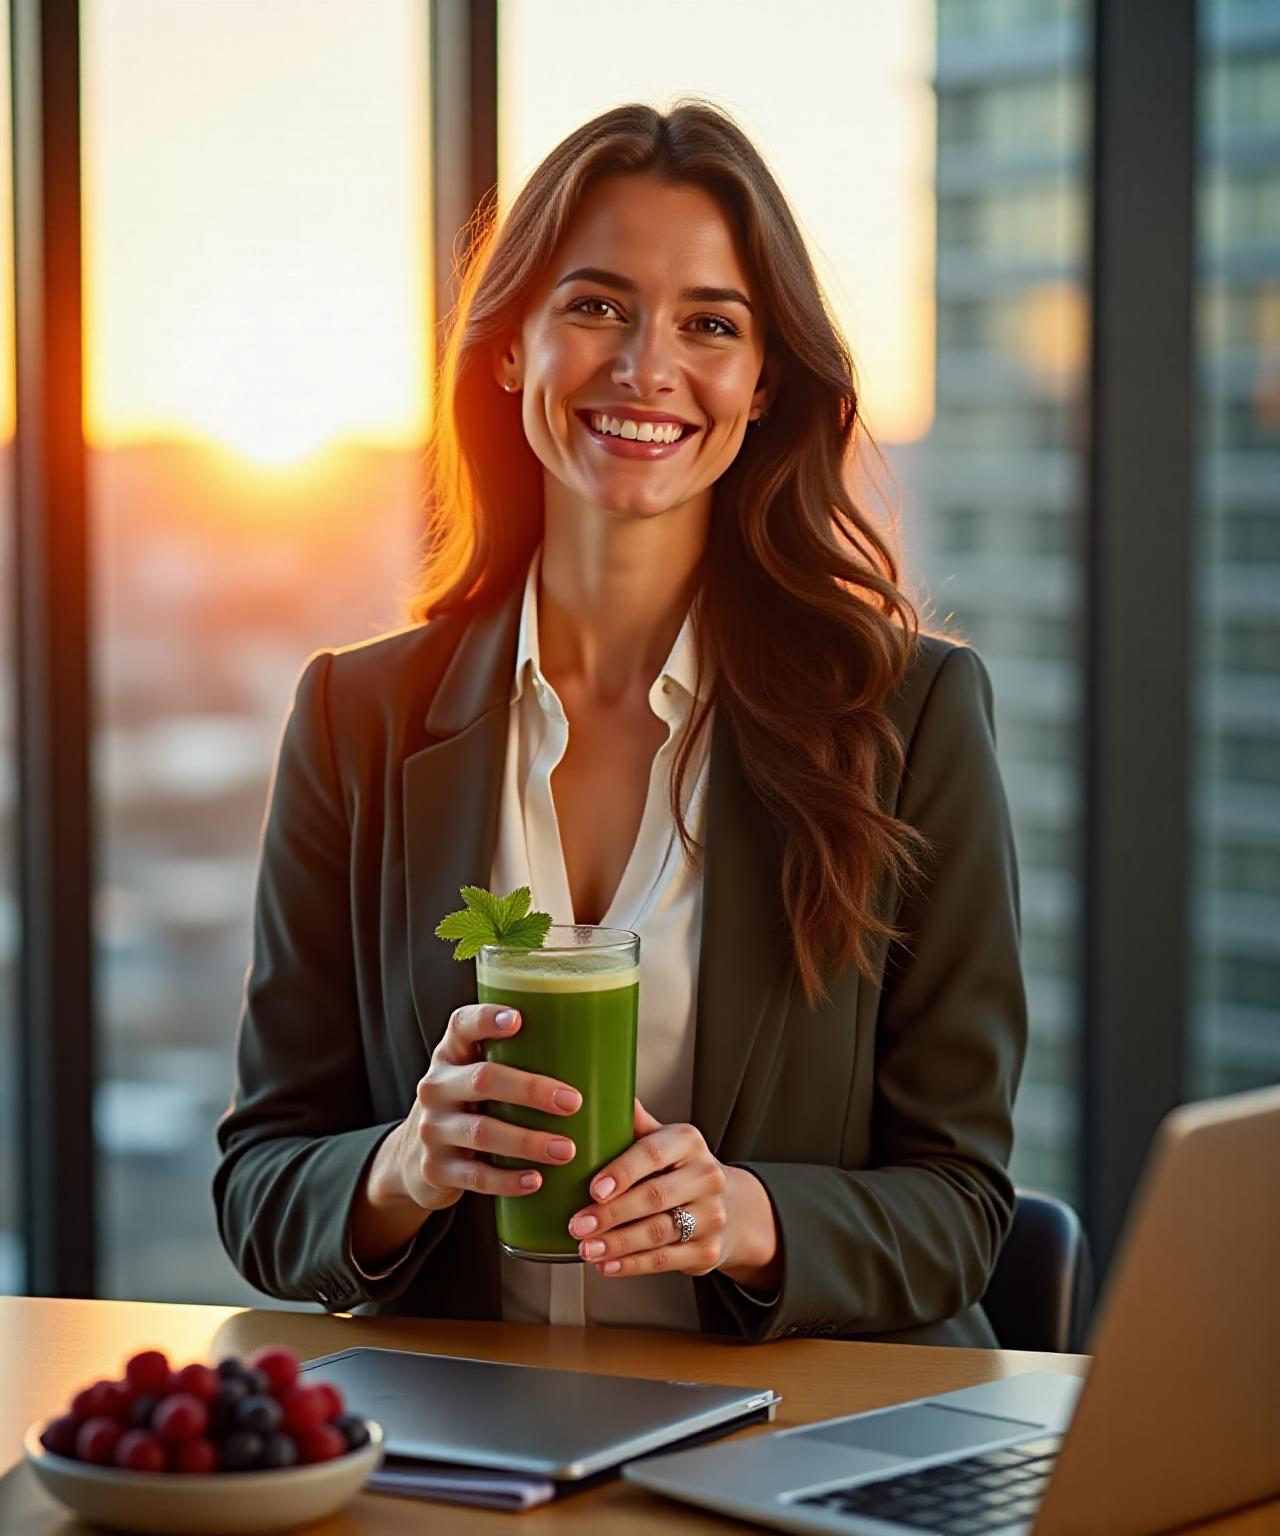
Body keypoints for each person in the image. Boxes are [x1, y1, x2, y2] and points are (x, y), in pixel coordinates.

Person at [213, 99, 1027, 1347]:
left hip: (787, 1445)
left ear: (762, 385)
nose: (646, 366)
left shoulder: (905, 716)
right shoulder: (354, 719)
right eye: (594, 306)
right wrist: (406, 1165)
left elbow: (963, 1205)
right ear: (507, 348)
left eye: (710, 324)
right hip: (467, 1446)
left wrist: (746, 1214)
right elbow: (263, 1184)